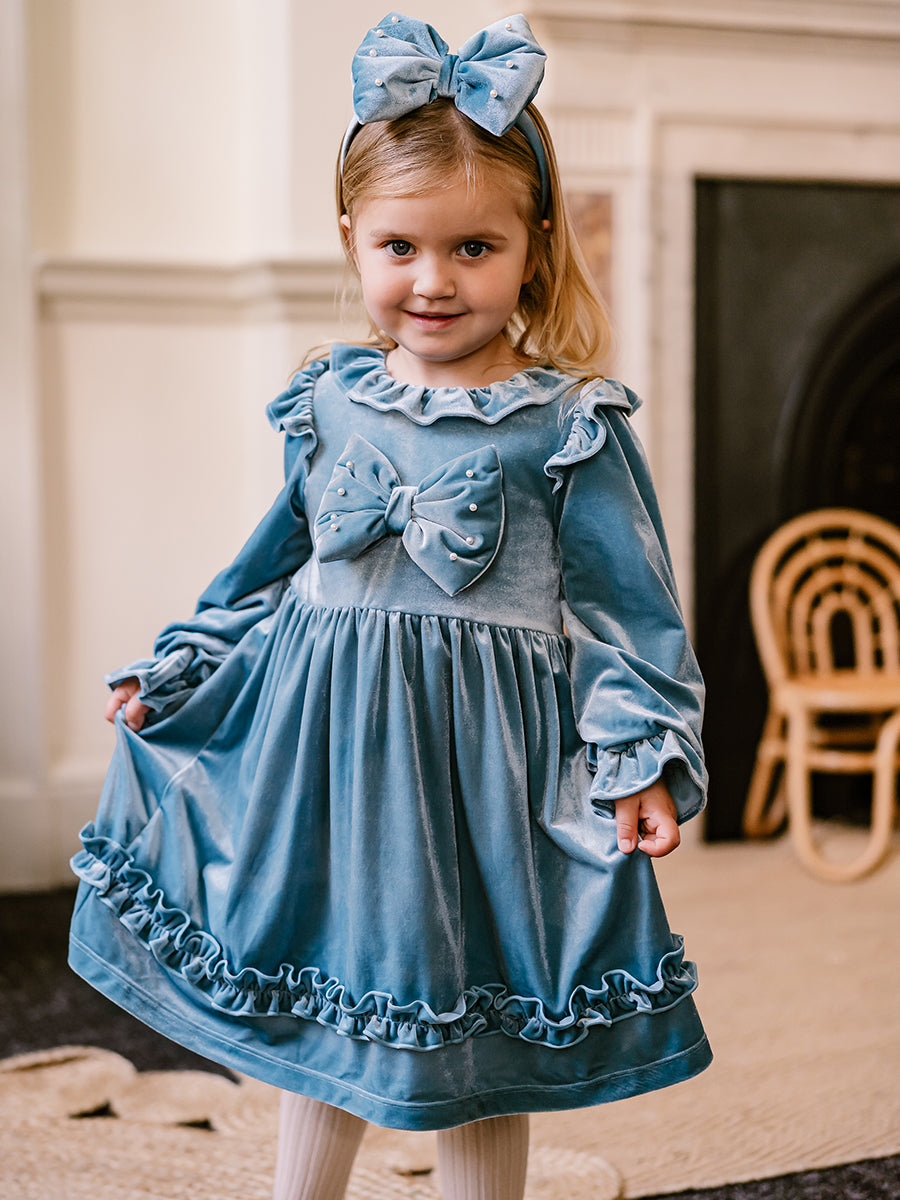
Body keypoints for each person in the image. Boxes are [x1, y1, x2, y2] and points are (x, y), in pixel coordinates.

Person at [69, 13, 711, 1199]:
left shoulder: (567, 424)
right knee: (324, 991)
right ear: (352, 241)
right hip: (323, 759)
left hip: (484, 780)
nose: (432, 279)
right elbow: (263, 569)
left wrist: (641, 758)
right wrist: (185, 667)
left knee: (480, 1023)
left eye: (474, 247)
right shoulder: (329, 401)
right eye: (400, 246)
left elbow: (633, 617)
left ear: (535, 247)